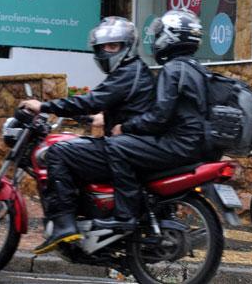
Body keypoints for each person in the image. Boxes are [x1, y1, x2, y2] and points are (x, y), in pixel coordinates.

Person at [20, 17, 155, 254]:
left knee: (59, 152)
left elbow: (92, 100)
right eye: (103, 47)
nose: (106, 51)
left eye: (113, 46)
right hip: (132, 144)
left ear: (128, 46)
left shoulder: (127, 72)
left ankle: (63, 223)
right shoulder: (133, 71)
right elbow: (117, 103)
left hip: (127, 147)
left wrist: (44, 106)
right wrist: (94, 118)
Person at [92, 9, 213, 230]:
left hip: (178, 145)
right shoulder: (198, 69)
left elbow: (159, 116)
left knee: (117, 146)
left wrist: (126, 127)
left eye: (159, 34)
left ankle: (124, 215)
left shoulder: (173, 69)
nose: (156, 40)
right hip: (195, 145)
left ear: (171, 36)